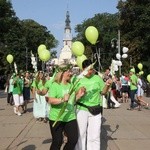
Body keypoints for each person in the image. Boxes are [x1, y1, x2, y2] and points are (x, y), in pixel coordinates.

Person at [45, 65, 85, 150]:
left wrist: (79, 96)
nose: (70, 73)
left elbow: (72, 101)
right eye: (68, 72)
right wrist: (62, 99)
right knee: (58, 141)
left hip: (70, 117)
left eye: (70, 71)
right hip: (56, 118)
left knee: (73, 140)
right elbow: (50, 100)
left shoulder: (71, 85)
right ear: (62, 73)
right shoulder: (55, 85)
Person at [75, 59, 112, 150]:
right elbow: (73, 95)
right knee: (81, 134)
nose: (90, 71)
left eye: (91, 69)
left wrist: (107, 85)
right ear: (83, 69)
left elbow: (103, 92)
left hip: (95, 110)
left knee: (94, 135)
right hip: (81, 109)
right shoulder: (78, 79)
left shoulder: (97, 78)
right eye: (88, 69)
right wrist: (79, 93)